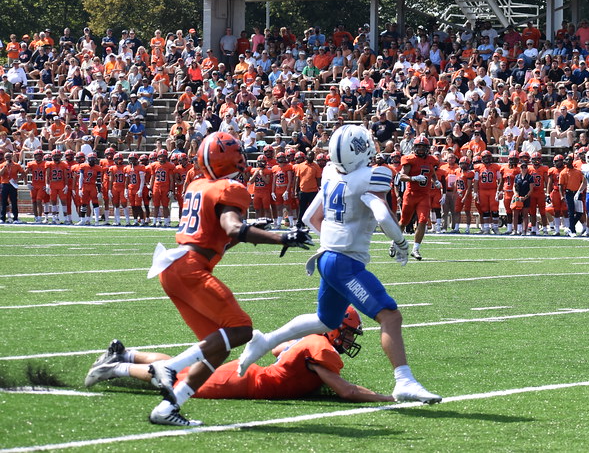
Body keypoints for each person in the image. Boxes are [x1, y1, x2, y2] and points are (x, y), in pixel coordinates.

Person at [236, 125, 441, 405]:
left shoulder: (331, 173)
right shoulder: (372, 176)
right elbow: (381, 215)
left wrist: (334, 239)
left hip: (326, 257)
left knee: (326, 320)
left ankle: (266, 340)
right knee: (390, 317)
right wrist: (401, 243)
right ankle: (404, 381)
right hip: (345, 262)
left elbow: (310, 217)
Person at [143, 131, 314, 427]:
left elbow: (221, 239)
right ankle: (170, 367)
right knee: (241, 330)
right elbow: (233, 229)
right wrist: (282, 237)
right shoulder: (229, 188)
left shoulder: (198, 184)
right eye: (238, 154)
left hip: (178, 265)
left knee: (220, 346)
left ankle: (168, 408)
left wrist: (253, 230)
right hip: (190, 267)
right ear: (227, 159)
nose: (242, 159)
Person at [84, 308, 393, 403]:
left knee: (181, 367)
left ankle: (126, 353)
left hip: (245, 375)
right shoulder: (320, 346)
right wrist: (387, 398)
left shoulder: (310, 340)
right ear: (334, 329)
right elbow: (346, 391)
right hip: (239, 382)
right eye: (348, 332)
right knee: (175, 379)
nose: (349, 339)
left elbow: (277, 350)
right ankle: (113, 369)